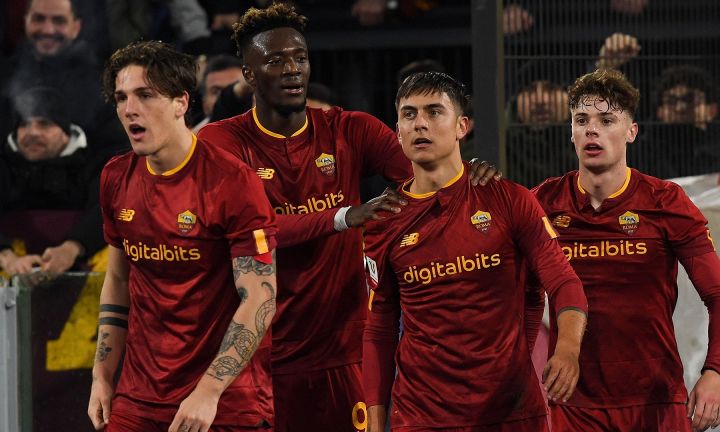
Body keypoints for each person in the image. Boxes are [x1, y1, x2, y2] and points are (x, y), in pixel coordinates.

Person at [198, 4, 500, 431]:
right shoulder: (221, 142)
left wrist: (468, 175)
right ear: (248, 74)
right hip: (257, 358)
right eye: (276, 60)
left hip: (343, 354)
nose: (292, 69)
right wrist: (342, 217)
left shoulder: (349, 129)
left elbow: (428, 178)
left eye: (300, 58)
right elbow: (252, 230)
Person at [362, 71, 588, 431]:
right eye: (409, 114)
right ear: (398, 131)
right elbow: (379, 326)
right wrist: (374, 419)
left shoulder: (510, 199)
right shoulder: (383, 221)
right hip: (422, 417)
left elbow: (563, 281)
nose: (420, 123)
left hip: (511, 412)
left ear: (461, 126)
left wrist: (568, 349)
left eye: (434, 111)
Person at [532, 68, 720, 432]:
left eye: (606, 120)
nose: (592, 130)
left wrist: (715, 372)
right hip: (572, 406)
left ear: (632, 131)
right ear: (571, 132)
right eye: (582, 120)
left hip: (656, 402)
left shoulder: (665, 201)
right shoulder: (541, 204)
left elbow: (719, 297)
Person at [87, 41, 278, 431]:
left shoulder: (232, 181)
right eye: (121, 97)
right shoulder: (115, 177)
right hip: (138, 397)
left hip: (225, 400)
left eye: (145, 95)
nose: (130, 109)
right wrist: (102, 376)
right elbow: (119, 280)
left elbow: (261, 296)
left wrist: (208, 392)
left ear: (181, 102)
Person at [0, 86, 108, 275]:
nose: (32, 132)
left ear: (66, 133)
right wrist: (7, 257)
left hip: (86, 269)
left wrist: (72, 248)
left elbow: (107, 208)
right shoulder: (4, 165)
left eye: (45, 124)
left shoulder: (96, 163)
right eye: (24, 124)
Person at [0, 0, 126, 154]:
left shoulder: (102, 86)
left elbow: (115, 150)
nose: (48, 30)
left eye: (59, 21)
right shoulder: (5, 76)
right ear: (26, 21)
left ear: (76, 27)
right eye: (39, 19)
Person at [193, 54, 243, 132]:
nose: (227, 97)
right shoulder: (191, 138)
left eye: (234, 88)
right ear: (204, 103)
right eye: (216, 91)